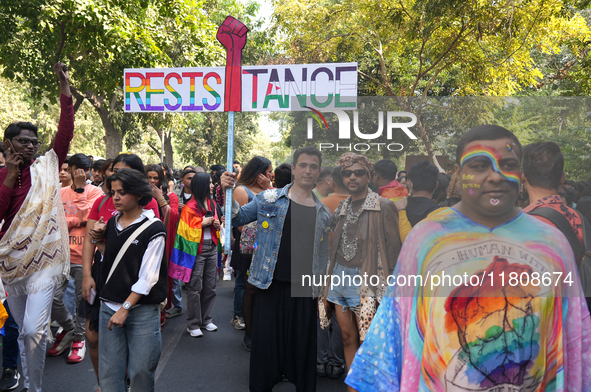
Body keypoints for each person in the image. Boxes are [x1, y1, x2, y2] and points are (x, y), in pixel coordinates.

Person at [346, 125, 591, 391]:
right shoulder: (427, 240)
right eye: (479, 165)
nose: (495, 177)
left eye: (507, 164)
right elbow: (391, 342)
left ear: (520, 174)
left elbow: (574, 342)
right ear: (459, 175)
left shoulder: (552, 243)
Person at [221, 146, 332, 392]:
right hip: (270, 284)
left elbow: (323, 253)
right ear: (294, 169)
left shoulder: (323, 212)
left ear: (319, 172)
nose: (308, 170)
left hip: (304, 289)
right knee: (266, 347)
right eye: (303, 165)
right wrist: (226, 192)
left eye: (313, 166)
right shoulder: (269, 199)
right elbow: (237, 218)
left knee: (302, 348)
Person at [0, 63, 73, 392]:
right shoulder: (2, 177)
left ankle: (36, 388)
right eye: (23, 141)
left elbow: (66, 131)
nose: (30, 146)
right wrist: (11, 176)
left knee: (32, 330)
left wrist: (65, 88)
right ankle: (30, 385)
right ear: (8, 144)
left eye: (34, 141)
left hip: (44, 263)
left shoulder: (47, 167)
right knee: (20, 327)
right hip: (11, 265)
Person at [319, 153, 401, 385]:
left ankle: (370, 386)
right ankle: (353, 386)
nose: (352, 177)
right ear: (342, 178)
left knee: (369, 340)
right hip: (339, 278)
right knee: (346, 337)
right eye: (347, 173)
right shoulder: (342, 207)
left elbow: (393, 250)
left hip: (368, 282)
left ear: (369, 176)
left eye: (359, 172)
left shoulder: (384, 206)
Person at [80, 153, 160, 390]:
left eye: (121, 192)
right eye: (113, 191)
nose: (115, 197)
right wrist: (99, 243)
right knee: (109, 372)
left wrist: (125, 308)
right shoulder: (111, 222)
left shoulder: (153, 226)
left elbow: (148, 276)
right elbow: (112, 257)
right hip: (109, 303)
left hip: (141, 308)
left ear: (138, 193)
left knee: (140, 372)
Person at [49, 153, 103, 364]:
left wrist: (80, 191)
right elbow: (56, 220)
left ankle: (79, 339)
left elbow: (89, 218)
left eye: (86, 170)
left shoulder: (95, 191)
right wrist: (76, 221)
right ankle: (71, 329)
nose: (82, 173)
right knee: (51, 297)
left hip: (84, 256)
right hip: (60, 256)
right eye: (76, 169)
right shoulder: (60, 192)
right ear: (70, 169)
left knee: (83, 301)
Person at [170, 172, 222, 338]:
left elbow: (216, 225)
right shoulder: (189, 207)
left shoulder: (212, 203)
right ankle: (193, 323)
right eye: (210, 183)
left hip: (212, 247)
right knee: (195, 288)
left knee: (210, 287)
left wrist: (216, 224)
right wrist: (202, 223)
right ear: (202, 186)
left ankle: (206, 319)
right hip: (196, 252)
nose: (213, 186)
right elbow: (183, 232)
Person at [229, 156, 273, 350]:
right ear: (259, 173)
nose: (272, 174)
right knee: (247, 287)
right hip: (249, 248)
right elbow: (240, 223)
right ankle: (243, 322)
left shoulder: (270, 191)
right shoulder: (241, 190)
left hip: (267, 248)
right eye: (269, 171)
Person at [317, 165, 348, 380]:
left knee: (322, 314)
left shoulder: (322, 204)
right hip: (351, 267)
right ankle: (337, 362)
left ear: (332, 181)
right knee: (342, 317)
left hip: (323, 264)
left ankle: (320, 361)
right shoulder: (367, 203)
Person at [146, 164, 181, 322]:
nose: (152, 181)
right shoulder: (139, 194)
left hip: (163, 240)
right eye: (149, 177)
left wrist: (159, 197)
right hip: (145, 239)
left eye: (156, 178)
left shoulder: (171, 196)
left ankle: (162, 311)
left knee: (162, 275)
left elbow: (173, 215)